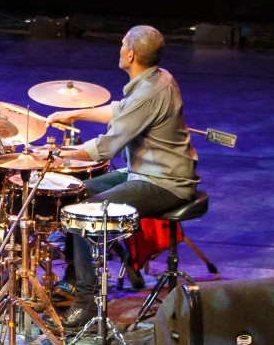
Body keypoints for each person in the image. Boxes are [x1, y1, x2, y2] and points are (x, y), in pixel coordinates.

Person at [31, 25, 199, 328]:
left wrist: (56, 155)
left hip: (165, 183)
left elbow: (106, 148)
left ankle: (87, 303)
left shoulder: (149, 93)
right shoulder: (160, 78)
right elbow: (123, 110)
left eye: (122, 44)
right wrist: (78, 112)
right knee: (74, 192)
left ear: (131, 54)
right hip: (145, 172)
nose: (120, 48)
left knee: (81, 215)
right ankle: (73, 280)